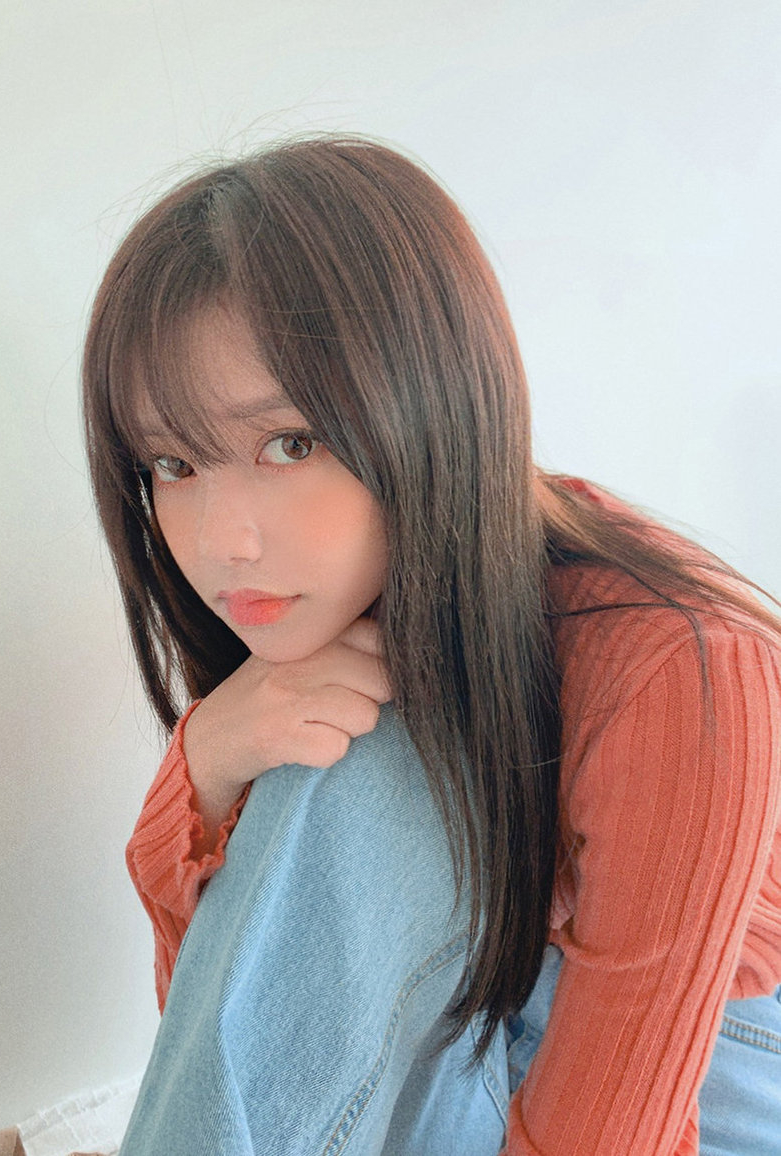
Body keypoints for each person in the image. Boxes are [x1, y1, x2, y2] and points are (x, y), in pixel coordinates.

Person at [81, 136, 781, 1155]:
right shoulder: (345, 616)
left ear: (431, 402)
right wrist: (207, 762)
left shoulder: (681, 664)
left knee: (361, 751)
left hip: (716, 1069)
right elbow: (226, 1050)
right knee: (326, 735)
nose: (223, 540)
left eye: (290, 443)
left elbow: (610, 1132)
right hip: (503, 1024)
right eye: (173, 462)